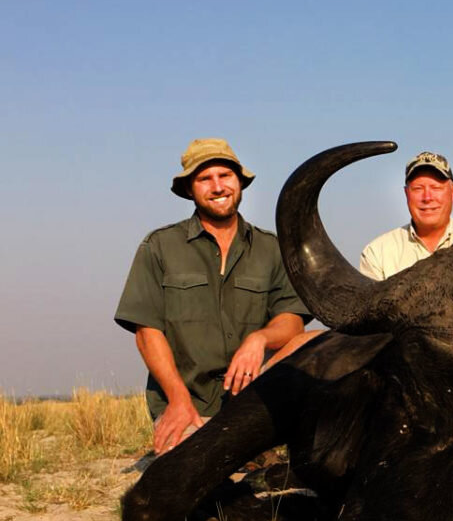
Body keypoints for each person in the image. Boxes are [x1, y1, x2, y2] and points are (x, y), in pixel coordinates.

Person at [115, 138, 310, 455]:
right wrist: (178, 400)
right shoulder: (159, 246)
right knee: (195, 483)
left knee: (314, 342)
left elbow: (292, 322)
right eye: (205, 179)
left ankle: (271, 437)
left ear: (240, 183)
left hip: (255, 398)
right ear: (190, 190)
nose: (218, 187)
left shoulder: (271, 248)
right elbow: (146, 332)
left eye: (225, 176)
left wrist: (258, 339)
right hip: (191, 404)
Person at [359, 151, 453, 281]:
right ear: (406, 194)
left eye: (436, 188)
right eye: (418, 189)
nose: (427, 197)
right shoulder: (377, 253)